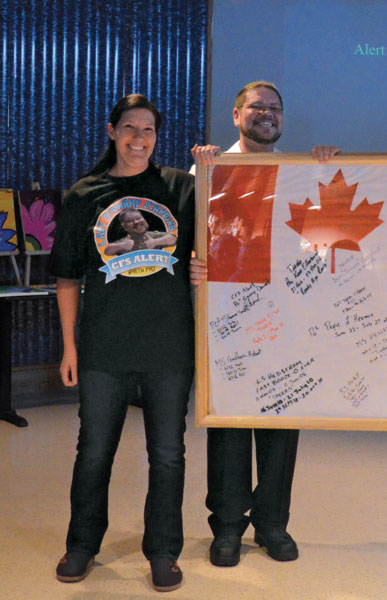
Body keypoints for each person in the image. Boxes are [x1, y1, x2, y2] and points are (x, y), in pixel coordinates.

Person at [189, 80, 339, 568]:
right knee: (229, 426)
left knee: (280, 428)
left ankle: (273, 524)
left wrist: (330, 166)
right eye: (257, 108)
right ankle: (228, 527)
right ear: (237, 116)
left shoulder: (301, 173)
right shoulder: (209, 170)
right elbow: (190, 239)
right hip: (229, 321)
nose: (266, 115)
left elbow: (327, 235)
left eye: (275, 108)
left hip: (287, 320)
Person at [50, 94, 196, 592]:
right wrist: (69, 348)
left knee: (169, 453)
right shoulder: (85, 193)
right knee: (93, 450)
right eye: (130, 128)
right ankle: (82, 545)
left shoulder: (180, 187)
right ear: (111, 131)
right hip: (102, 347)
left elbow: (222, 234)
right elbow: (67, 279)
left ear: (158, 136)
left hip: (169, 346)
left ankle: (162, 550)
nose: (140, 138)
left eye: (149, 129)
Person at [105, 208, 177, 256]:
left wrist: (155, 242)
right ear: (125, 227)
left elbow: (173, 239)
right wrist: (121, 246)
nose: (136, 222)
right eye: (130, 221)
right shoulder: (126, 241)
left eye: (138, 218)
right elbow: (107, 251)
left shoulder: (154, 235)